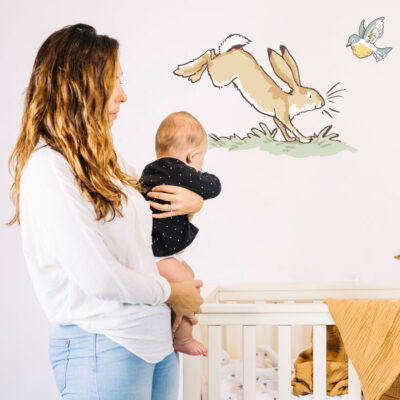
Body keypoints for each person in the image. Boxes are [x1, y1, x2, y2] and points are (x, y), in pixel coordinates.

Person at [7, 23, 206, 400]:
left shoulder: (109, 163)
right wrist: (171, 293)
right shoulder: (50, 169)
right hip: (104, 344)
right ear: (79, 86)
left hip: (156, 345)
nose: (124, 95)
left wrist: (191, 205)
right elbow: (98, 277)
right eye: (113, 81)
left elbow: (146, 243)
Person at [139, 111, 221, 357]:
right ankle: (183, 338)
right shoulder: (180, 172)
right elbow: (213, 186)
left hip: (156, 251)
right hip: (155, 255)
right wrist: (199, 188)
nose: (199, 170)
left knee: (187, 275)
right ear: (192, 155)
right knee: (188, 285)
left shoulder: (149, 171)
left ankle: (174, 329)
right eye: (200, 162)